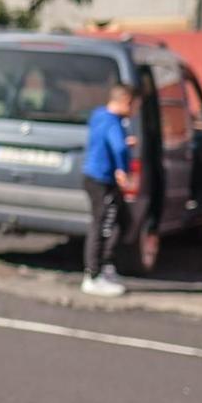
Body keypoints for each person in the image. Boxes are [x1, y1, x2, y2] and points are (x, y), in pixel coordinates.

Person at [80, 82, 138, 298]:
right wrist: (123, 170)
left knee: (120, 220)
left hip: (94, 176)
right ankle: (93, 276)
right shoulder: (114, 122)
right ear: (125, 102)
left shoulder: (99, 115)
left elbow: (111, 142)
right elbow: (119, 147)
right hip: (101, 179)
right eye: (134, 106)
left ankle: (105, 266)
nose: (134, 112)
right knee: (103, 223)